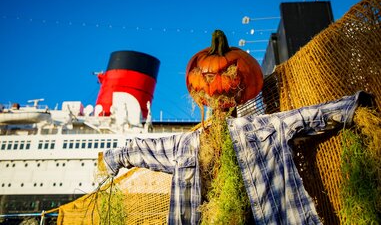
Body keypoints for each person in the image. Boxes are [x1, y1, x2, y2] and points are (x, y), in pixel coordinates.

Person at [101, 91, 370, 224]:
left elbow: (307, 116)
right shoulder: (184, 145)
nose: (219, 109)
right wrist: (113, 158)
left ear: (234, 105)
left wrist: (352, 106)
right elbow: (140, 149)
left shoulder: (262, 127)